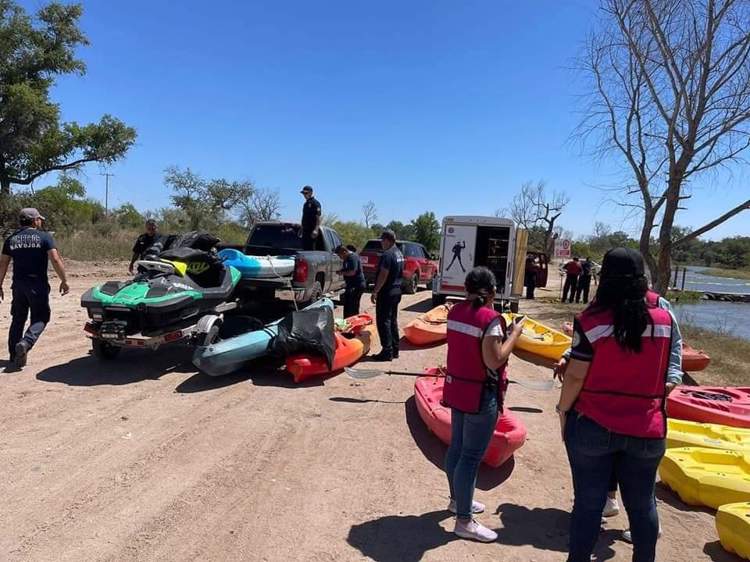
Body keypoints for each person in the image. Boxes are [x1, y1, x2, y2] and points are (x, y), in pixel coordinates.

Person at [556, 248, 676, 562]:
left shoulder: (591, 320)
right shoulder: (664, 320)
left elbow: (575, 377)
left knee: (588, 504)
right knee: (643, 506)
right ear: (642, 279)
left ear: (603, 277)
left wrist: (563, 411)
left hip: (594, 424)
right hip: (647, 428)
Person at [443, 267, 522, 542]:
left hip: (457, 390)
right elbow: (494, 359)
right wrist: (514, 334)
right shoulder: (491, 319)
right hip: (479, 396)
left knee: (456, 448)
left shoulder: (454, 312)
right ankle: (464, 521)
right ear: (492, 292)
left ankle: (457, 501)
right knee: (471, 457)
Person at [0, 208, 69, 370]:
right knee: (41, 318)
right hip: (37, 285)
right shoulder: (45, 237)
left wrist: (0, 284)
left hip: (18, 285)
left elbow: (3, 263)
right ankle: (26, 343)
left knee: (17, 319)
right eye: (39, 219)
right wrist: (64, 280)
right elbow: (55, 259)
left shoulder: (11, 239)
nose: (41, 222)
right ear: (34, 221)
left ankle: (13, 354)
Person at [370, 230, 404, 361]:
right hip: (396, 291)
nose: (381, 244)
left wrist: (375, 291)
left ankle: (387, 351)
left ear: (388, 240)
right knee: (392, 320)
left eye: (382, 241)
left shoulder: (387, 255)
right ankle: (395, 349)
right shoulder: (399, 253)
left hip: (387, 292)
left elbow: (384, 274)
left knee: (383, 321)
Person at [335, 245, 366, 318]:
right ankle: (347, 322)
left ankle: (354, 324)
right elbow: (346, 269)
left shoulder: (352, 258)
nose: (340, 257)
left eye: (340, 255)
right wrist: (341, 271)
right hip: (350, 285)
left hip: (357, 285)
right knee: (347, 305)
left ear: (344, 252)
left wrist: (342, 273)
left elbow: (352, 272)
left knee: (353, 307)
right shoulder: (346, 259)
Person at [299, 185, 322, 251]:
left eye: (306, 193)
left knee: (311, 249)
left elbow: (318, 217)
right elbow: (304, 217)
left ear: (311, 193)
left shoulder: (316, 203)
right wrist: (301, 228)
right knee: (305, 248)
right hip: (305, 230)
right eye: (303, 193)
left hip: (312, 230)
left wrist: (316, 229)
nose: (304, 195)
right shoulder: (305, 204)